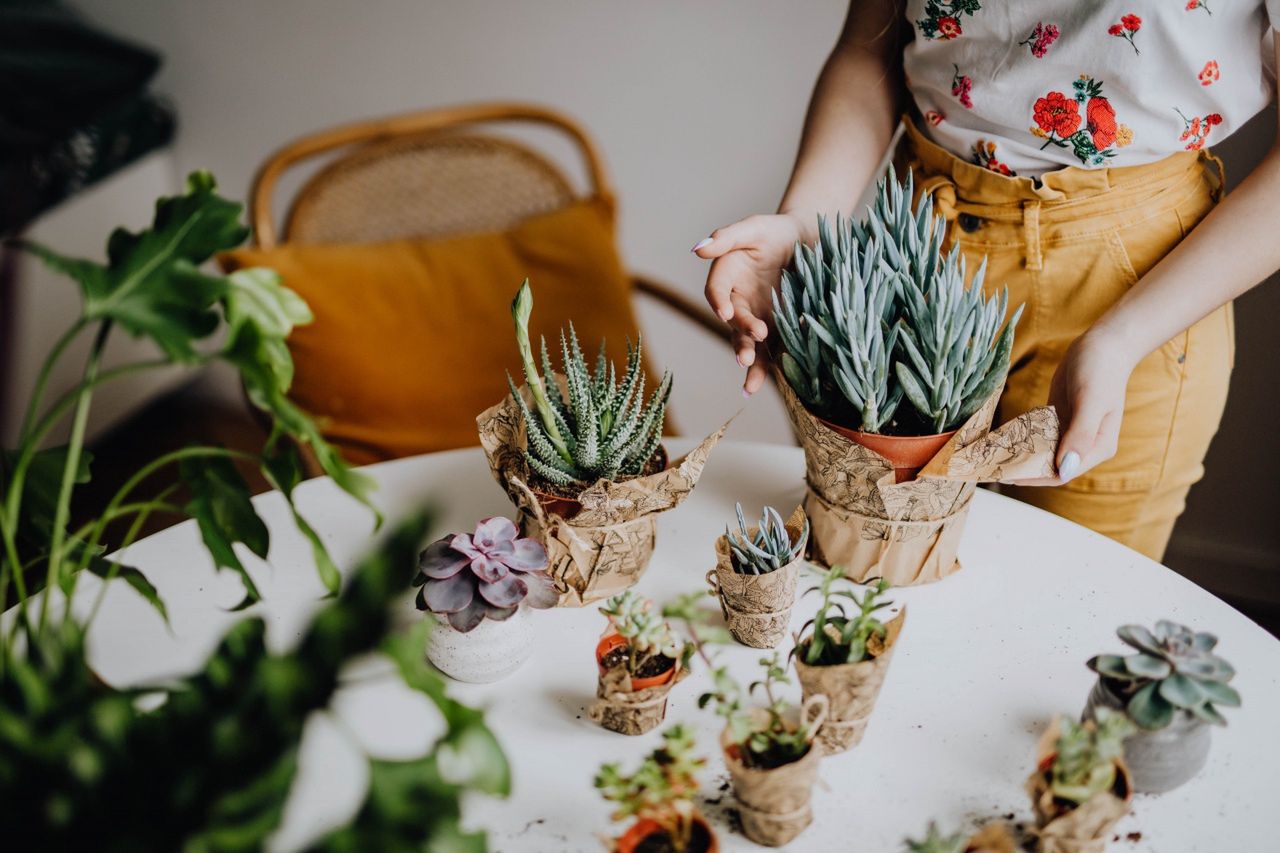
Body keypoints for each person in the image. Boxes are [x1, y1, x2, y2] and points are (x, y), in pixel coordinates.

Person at [694, 1, 1280, 561]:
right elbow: (869, 47)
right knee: (874, 575)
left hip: (1143, 287)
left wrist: (1119, 341)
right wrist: (806, 220)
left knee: (1071, 614)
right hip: (916, 254)